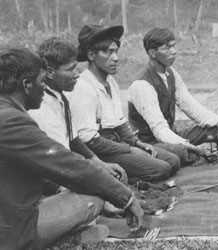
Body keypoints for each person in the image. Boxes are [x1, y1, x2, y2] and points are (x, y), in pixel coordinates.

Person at [0, 48, 143, 249]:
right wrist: (125, 198)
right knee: (95, 195)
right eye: (41, 82)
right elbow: (67, 164)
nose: (43, 88)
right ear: (26, 85)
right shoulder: (11, 120)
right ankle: (60, 241)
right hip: (11, 231)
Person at [67, 24, 180, 183]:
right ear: (91, 55)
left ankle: (127, 172)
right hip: (101, 151)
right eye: (108, 52)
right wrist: (130, 149)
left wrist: (138, 143)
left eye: (115, 51)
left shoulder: (111, 82)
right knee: (162, 169)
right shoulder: (84, 87)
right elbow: (89, 139)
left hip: (118, 144)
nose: (115, 58)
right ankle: (118, 178)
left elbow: (120, 123)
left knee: (173, 161)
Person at [29, 37, 127, 184]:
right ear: (50, 72)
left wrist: (98, 162)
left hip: (65, 164)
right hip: (52, 175)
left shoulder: (60, 96)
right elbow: (61, 157)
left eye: (76, 67)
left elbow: (74, 140)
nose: (77, 74)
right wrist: (96, 170)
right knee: (107, 187)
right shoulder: (42, 106)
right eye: (70, 69)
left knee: (111, 178)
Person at [128, 27, 218, 166]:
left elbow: (193, 108)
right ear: (152, 53)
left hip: (172, 135)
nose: (174, 51)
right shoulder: (141, 85)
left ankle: (200, 154)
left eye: (173, 46)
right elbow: (160, 130)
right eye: (167, 48)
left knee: (217, 131)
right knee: (180, 153)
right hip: (151, 142)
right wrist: (193, 147)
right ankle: (198, 155)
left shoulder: (171, 73)